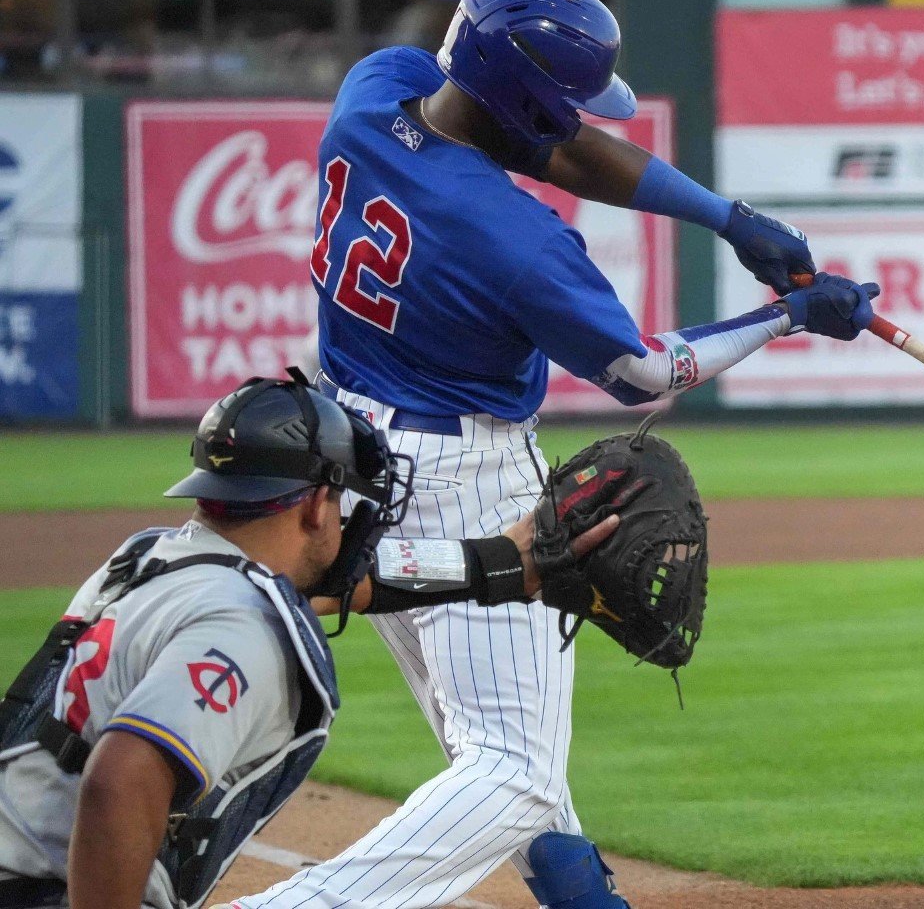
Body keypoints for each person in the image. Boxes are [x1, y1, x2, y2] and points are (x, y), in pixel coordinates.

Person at [230, 0, 879, 909]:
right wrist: (788, 315)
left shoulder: (377, 88)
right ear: (526, 106)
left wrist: (727, 220)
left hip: (348, 461)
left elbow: (558, 146)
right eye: (567, 103)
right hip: (464, 478)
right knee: (514, 772)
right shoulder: (516, 241)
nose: (578, 120)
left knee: (502, 756)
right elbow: (644, 375)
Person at [0, 377, 621, 909]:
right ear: (319, 504)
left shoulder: (148, 555)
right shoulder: (241, 623)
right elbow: (120, 780)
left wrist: (496, 564)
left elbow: (326, 585)